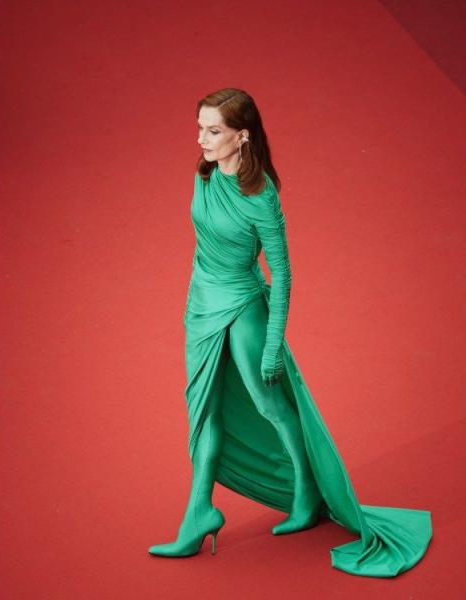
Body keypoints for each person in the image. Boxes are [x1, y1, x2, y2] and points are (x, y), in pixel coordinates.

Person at [147, 88, 431, 577]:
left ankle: (304, 494)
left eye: (213, 131)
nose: (201, 139)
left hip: (243, 307)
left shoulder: (261, 197)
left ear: (243, 135)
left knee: (270, 403)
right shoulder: (206, 173)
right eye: (199, 127)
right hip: (199, 306)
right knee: (203, 410)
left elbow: (283, 274)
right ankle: (200, 515)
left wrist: (274, 342)